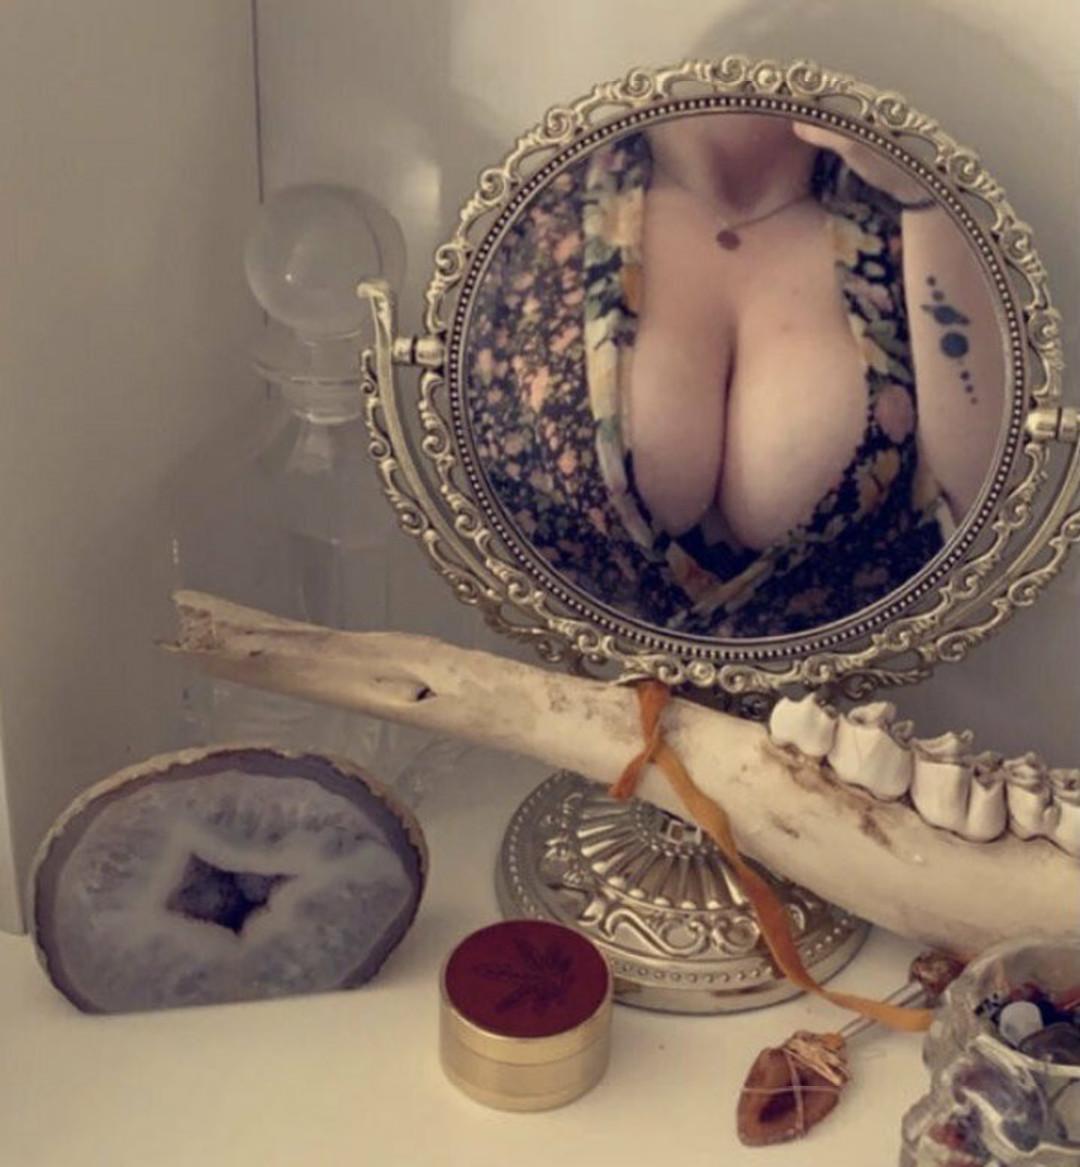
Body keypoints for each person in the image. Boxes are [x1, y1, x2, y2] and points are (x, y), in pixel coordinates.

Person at [466, 113, 1004, 637]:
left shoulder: (897, 223)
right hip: (540, 675)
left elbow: (984, 517)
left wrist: (926, 199)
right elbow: (477, 489)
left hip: (860, 687)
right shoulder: (538, 204)